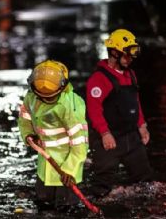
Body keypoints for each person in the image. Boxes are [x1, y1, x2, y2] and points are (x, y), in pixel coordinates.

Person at [86, 29, 153, 198]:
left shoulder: (131, 74)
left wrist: (142, 125)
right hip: (109, 140)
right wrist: (104, 133)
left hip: (131, 137)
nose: (130, 58)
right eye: (127, 54)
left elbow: (135, 102)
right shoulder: (99, 79)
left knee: (146, 182)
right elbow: (94, 110)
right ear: (114, 52)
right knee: (102, 187)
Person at [17, 60, 89, 211]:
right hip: (45, 164)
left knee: (66, 209)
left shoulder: (69, 107)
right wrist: (28, 134)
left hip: (67, 168)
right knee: (43, 204)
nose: (46, 100)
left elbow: (80, 143)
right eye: (42, 96)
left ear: (62, 88)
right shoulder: (31, 96)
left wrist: (69, 171)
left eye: (50, 97)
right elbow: (25, 117)